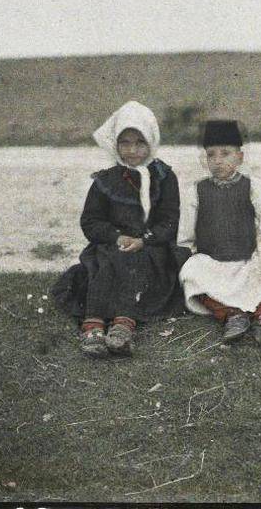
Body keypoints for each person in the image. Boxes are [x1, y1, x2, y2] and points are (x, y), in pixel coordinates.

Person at [64, 100, 182, 358]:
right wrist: (116, 237)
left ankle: (123, 325)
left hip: (150, 247)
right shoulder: (106, 181)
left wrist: (145, 240)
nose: (132, 150)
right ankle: (93, 326)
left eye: (140, 143)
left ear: (151, 141)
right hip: (113, 243)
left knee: (136, 263)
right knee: (104, 263)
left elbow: (169, 221)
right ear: (115, 144)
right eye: (125, 142)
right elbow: (91, 221)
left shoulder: (164, 177)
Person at [175, 120, 261, 348]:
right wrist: (188, 254)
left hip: (248, 261)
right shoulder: (196, 191)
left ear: (240, 158)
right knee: (191, 272)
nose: (218, 161)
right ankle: (232, 315)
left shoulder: (253, 186)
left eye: (225, 154)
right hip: (214, 262)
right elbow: (186, 234)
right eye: (211, 155)